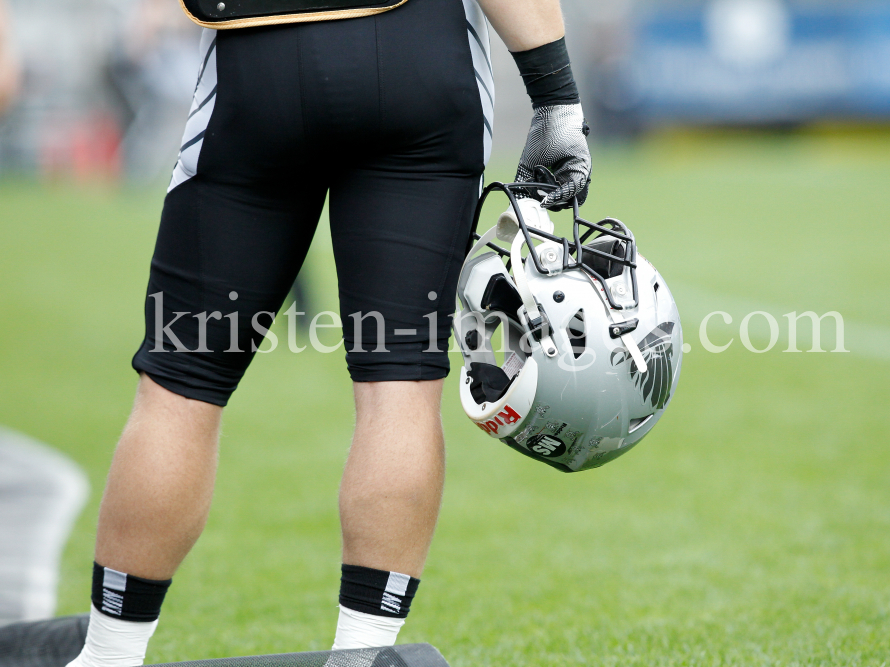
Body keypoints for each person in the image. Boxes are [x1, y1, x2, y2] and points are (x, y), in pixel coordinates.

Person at [66, 0, 591, 664]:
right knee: (399, 383)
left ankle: (109, 653)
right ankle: (361, 653)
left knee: (180, 384)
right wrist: (556, 97)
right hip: (418, 57)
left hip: (259, 60)